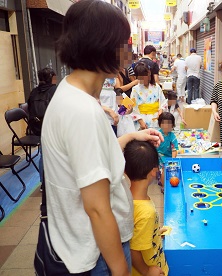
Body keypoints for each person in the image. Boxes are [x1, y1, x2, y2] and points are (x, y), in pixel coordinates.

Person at [39, 1, 163, 275]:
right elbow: (96, 208)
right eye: (124, 43)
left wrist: (131, 135)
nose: (128, 52)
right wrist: (119, 268)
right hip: (97, 256)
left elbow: (88, 162)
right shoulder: (83, 111)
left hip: (75, 244)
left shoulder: (69, 94)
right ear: (103, 45)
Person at [124, 140, 168, 276]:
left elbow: (136, 232)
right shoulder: (146, 212)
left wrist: (155, 231)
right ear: (154, 172)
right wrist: (147, 271)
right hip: (151, 269)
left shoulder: (127, 196)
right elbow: (133, 249)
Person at [27, 67, 57, 185]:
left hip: (38, 128)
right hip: (53, 128)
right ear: (52, 78)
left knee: (43, 154)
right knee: (52, 154)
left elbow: (29, 109)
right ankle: (50, 182)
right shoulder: (55, 90)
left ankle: (42, 182)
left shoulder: (33, 91)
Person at [131, 62, 167, 130]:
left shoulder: (157, 87)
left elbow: (163, 102)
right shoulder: (135, 89)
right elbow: (133, 107)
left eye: (144, 76)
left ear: (149, 73)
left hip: (155, 118)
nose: (143, 79)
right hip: (141, 119)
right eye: (140, 77)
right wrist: (140, 121)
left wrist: (161, 111)